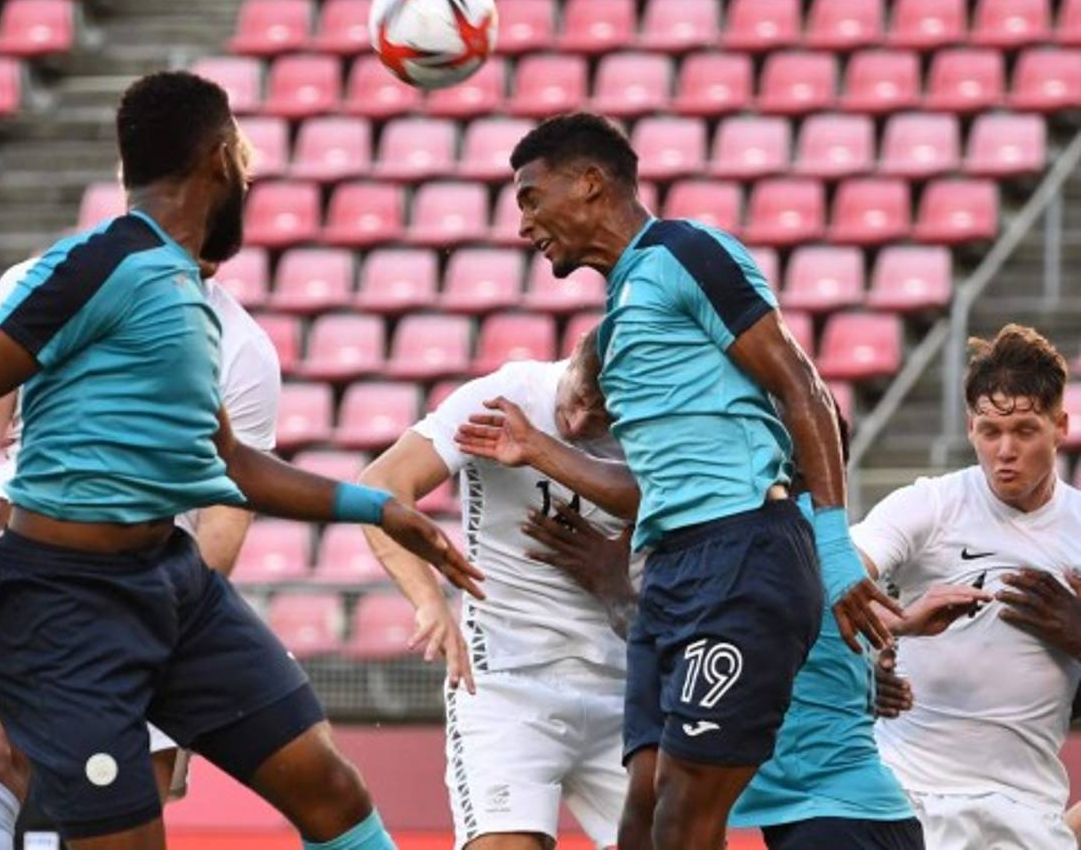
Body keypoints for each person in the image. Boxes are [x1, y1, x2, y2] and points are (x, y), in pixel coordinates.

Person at [0, 70, 481, 850]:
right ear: (219, 158)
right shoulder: (99, 265)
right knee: (28, 778)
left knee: (329, 786)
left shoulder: (182, 291)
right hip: (64, 603)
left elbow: (230, 465)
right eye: (243, 164)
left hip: (171, 584)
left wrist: (380, 508)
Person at [504, 112, 900, 849]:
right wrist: (549, 443)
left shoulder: (686, 253)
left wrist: (833, 546)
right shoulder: (619, 314)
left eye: (531, 197)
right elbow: (659, 480)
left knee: (684, 812)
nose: (523, 223)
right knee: (641, 807)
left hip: (743, 551)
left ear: (588, 182)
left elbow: (802, 387)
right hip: (672, 571)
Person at [457, 373, 987, 850]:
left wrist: (614, 585)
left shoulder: (767, 551)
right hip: (855, 814)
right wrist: (882, 660)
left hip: (832, 820)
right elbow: (807, 645)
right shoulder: (814, 548)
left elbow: (700, 645)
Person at [0, 250, 282, 848]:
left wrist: (163, 625)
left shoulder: (243, 349)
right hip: (26, 567)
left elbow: (223, 523)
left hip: (152, 593)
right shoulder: (37, 284)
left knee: (124, 806)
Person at [357, 331, 635, 850]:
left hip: (628, 687)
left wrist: (618, 581)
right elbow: (379, 485)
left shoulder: (658, 434)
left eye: (601, 418)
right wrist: (428, 601)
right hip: (508, 682)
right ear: (574, 353)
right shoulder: (506, 397)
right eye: (578, 399)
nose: (578, 424)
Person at [851, 323, 1081, 850]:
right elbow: (825, 584)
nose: (1005, 451)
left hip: (1025, 812)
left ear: (1060, 426)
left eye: (1025, 430)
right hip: (908, 795)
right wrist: (895, 628)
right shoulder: (930, 506)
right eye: (989, 431)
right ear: (969, 426)